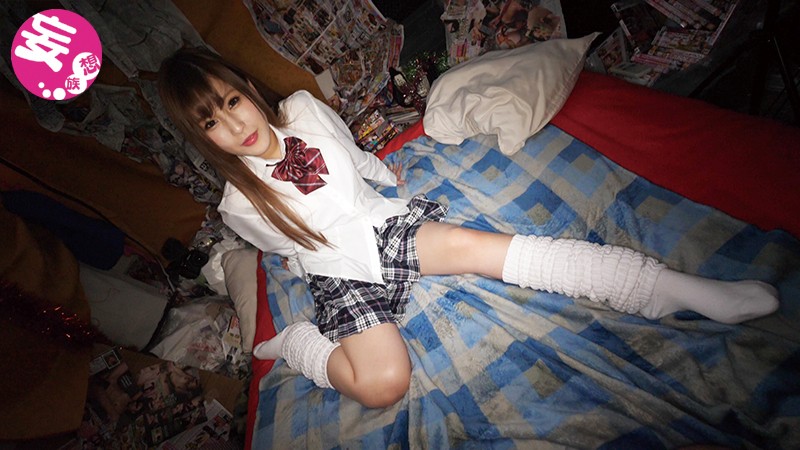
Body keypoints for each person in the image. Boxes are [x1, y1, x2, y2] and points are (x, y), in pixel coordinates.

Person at [158, 48, 780, 409]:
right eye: (211, 123)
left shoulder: (303, 107)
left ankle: (667, 289)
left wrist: (384, 176)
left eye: (231, 102)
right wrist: (311, 280)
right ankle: (300, 345)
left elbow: (350, 155)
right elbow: (293, 248)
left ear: (247, 88)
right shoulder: (237, 205)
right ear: (203, 138)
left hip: (379, 224)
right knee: (383, 385)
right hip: (338, 271)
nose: (234, 126)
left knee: (483, 248)